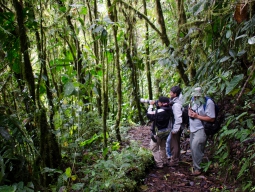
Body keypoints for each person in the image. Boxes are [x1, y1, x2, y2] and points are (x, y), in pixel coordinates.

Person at [188, 87, 216, 175]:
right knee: (193, 148)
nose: (196, 98)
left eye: (197, 97)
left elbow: (211, 118)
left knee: (196, 146)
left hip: (202, 128)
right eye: (195, 96)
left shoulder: (208, 102)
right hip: (193, 128)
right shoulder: (192, 100)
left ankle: (198, 169)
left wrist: (197, 116)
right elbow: (190, 110)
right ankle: (197, 165)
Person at [147, 96, 172, 168]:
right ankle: (165, 161)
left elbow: (149, 115)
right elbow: (160, 111)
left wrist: (151, 105)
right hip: (165, 132)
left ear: (162, 103)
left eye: (159, 102)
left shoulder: (160, 111)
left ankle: (159, 164)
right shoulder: (169, 109)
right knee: (162, 147)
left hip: (157, 133)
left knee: (154, 148)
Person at [167, 86, 183, 167]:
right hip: (176, 126)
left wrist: (175, 129)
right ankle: (176, 158)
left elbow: (178, 118)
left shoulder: (176, 105)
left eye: (171, 92)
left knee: (174, 144)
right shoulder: (176, 101)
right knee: (174, 143)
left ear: (175, 94)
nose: (170, 93)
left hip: (176, 127)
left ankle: (174, 160)